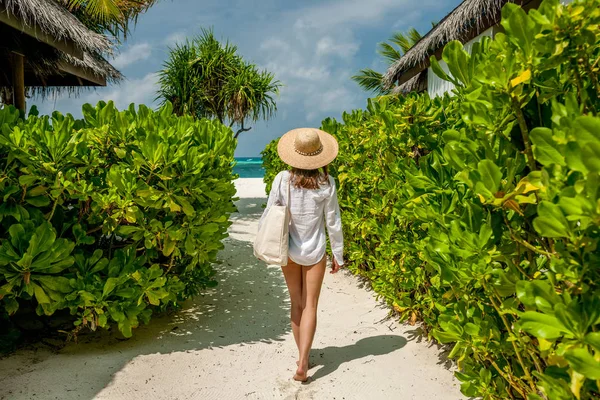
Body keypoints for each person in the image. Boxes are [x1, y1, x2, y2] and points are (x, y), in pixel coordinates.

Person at [258, 127, 344, 382]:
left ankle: (301, 358)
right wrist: (338, 254)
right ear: (319, 156)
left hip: (290, 250)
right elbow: (333, 221)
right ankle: (305, 360)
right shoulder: (326, 182)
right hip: (316, 251)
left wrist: (263, 240)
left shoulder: (282, 179)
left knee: (296, 303)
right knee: (311, 306)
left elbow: (271, 212)